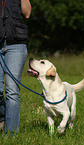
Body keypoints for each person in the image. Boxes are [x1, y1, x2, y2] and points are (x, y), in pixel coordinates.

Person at [0, 0, 31, 136]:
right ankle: (2, 119)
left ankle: (11, 134)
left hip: (16, 45)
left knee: (12, 90)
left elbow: (27, 13)